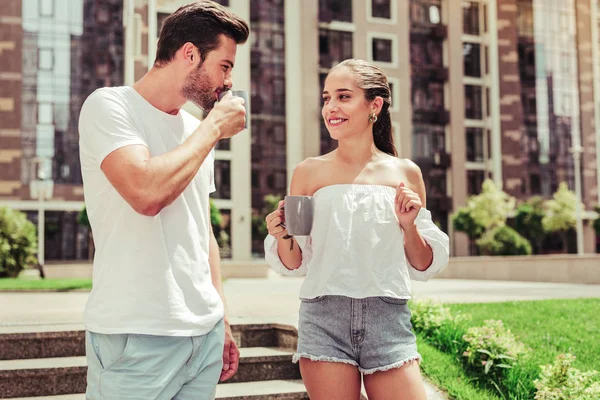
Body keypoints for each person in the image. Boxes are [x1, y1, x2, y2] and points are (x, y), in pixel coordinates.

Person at [78, 2, 249, 399]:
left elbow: (199, 230)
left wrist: (220, 317)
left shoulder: (194, 128)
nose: (228, 81)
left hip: (202, 336)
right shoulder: (110, 106)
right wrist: (213, 131)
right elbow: (146, 193)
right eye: (224, 66)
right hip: (136, 335)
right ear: (190, 54)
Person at [264, 59, 450, 400]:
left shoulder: (406, 174)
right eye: (326, 98)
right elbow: (295, 262)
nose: (331, 107)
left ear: (374, 105)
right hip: (324, 318)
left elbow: (422, 264)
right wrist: (283, 236)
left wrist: (410, 227)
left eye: (343, 96)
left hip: (388, 319)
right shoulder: (307, 173)